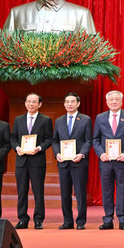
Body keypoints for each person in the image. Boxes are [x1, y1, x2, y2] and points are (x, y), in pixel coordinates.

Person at [92, 90, 124, 230]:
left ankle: (123, 219)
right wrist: (100, 154)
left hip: (122, 160)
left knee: (122, 190)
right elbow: (95, 139)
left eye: (117, 99)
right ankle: (108, 219)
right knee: (107, 190)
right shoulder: (100, 118)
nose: (114, 102)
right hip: (105, 161)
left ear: (121, 101)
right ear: (107, 102)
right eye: (111, 99)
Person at [10, 92, 53, 229]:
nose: (31, 104)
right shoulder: (18, 120)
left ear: (39, 104)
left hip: (37, 161)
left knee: (38, 191)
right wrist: (17, 148)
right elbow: (13, 138)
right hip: (21, 160)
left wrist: (39, 148)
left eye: (34, 102)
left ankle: (38, 219)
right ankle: (22, 219)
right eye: (28, 101)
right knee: (22, 191)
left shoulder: (45, 120)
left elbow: (49, 139)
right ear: (25, 103)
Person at [52, 92, 92, 229]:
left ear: (78, 103)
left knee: (80, 193)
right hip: (63, 162)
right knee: (65, 193)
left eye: (72, 101)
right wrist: (57, 153)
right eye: (67, 102)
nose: (70, 104)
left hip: (79, 162)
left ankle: (81, 221)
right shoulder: (59, 121)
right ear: (64, 104)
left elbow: (88, 140)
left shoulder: (85, 119)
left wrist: (81, 154)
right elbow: (55, 141)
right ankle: (67, 221)